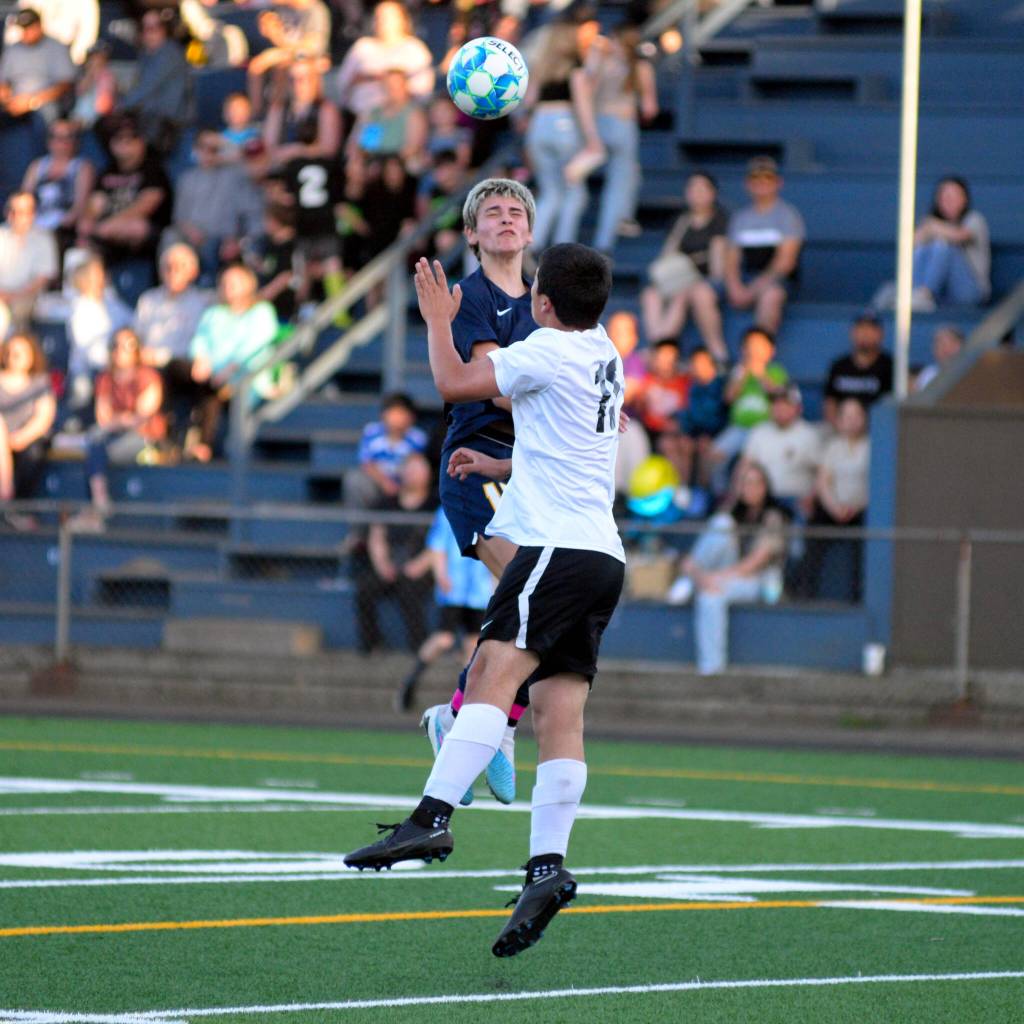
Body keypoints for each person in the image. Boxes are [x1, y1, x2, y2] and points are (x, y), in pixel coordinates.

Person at [346, 244, 625, 964]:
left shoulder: (545, 349)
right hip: (601, 556)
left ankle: (429, 818)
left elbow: (453, 380)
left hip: (555, 551)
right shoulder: (605, 353)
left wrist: (439, 320)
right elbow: (565, 441)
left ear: (540, 305)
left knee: (493, 679)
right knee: (561, 715)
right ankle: (545, 868)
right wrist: (500, 464)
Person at [418, 178, 539, 808]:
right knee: (528, 593)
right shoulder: (468, 296)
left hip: (534, 468)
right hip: (478, 462)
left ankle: (476, 719)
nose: (505, 218)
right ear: (472, 233)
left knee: (540, 607)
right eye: (491, 212)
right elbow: (496, 386)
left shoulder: (548, 298)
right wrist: (571, 401)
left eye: (515, 211)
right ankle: (490, 723)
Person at [672, 462, 789, 673]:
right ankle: (712, 669)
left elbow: (754, 563)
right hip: (725, 576)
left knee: (709, 592)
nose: (751, 488)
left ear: (765, 487)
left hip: (759, 581)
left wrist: (714, 578)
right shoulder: (734, 514)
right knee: (722, 524)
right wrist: (709, 579)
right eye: (746, 483)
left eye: (756, 483)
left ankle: (690, 578)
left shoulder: (773, 516)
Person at [395, 506, 495, 712]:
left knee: (473, 647)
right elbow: (438, 546)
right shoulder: (449, 509)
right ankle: (410, 681)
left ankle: (466, 702)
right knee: (444, 639)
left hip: (479, 592)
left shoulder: (493, 507)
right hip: (454, 587)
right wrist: (441, 574)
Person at [523, 17, 603, 250]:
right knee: (574, 194)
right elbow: (583, 107)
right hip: (565, 126)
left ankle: (528, 246)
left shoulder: (542, 69)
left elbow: (528, 102)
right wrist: (593, 140)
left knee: (550, 193)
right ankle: (562, 251)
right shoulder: (575, 68)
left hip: (538, 127)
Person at [186, 264, 279, 461]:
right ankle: (203, 447)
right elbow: (199, 341)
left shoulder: (262, 311)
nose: (228, 286)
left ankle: (208, 446)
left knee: (214, 391)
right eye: (225, 282)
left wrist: (228, 371)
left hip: (248, 381)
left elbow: (254, 348)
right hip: (215, 380)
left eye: (234, 282)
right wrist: (201, 360)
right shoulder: (213, 314)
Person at [79, 327, 164, 527]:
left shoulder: (148, 376)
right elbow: (103, 418)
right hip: (112, 437)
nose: (121, 350)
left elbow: (141, 417)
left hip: (144, 437)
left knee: (97, 447)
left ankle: (98, 505)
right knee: (94, 442)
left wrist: (119, 420)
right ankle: (100, 503)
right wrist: (122, 419)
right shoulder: (105, 378)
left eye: (128, 345)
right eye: (116, 345)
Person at [585, 20, 657, 255]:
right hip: (624, 126)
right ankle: (605, 241)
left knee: (627, 176)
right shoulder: (642, 68)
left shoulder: (603, 64)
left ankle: (623, 220)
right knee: (618, 184)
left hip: (598, 126)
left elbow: (587, 92)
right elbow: (649, 109)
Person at [640, 171, 729, 361]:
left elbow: (718, 264)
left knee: (687, 294)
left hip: (707, 280)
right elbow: (667, 254)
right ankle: (658, 347)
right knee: (651, 294)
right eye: (692, 188)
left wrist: (709, 281)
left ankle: (716, 352)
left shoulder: (720, 219)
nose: (696, 193)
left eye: (702, 188)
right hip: (681, 278)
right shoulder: (680, 221)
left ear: (713, 193)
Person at [353, 451, 436, 655]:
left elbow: (441, 541)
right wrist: (383, 565)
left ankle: (419, 647)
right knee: (365, 589)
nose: (413, 474)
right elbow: (377, 537)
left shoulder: (436, 504)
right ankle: (371, 646)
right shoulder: (386, 503)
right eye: (409, 469)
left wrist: (419, 565)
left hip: (424, 567)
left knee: (409, 589)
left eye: (419, 469)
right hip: (391, 564)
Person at [167, 130, 263, 284]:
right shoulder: (186, 179)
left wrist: (236, 239)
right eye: (202, 147)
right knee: (170, 238)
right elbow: (178, 217)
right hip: (192, 240)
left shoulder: (235, 175)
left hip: (223, 241)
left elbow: (251, 214)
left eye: (213, 149)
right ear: (195, 149)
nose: (207, 153)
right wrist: (189, 230)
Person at [77, 116, 173, 271]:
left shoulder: (153, 170)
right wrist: (89, 220)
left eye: (131, 139)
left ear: (142, 142)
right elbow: (96, 203)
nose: (124, 144)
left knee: (136, 227)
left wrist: (107, 226)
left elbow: (144, 207)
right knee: (83, 229)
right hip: (106, 230)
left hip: (142, 231)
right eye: (119, 139)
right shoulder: (109, 171)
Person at [724, 156, 805, 335]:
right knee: (702, 293)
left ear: (778, 183)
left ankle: (759, 351)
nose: (762, 184)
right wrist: (734, 287)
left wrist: (750, 292)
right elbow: (731, 260)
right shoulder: (740, 218)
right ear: (748, 184)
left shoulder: (788, 216)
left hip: (778, 282)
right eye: (756, 179)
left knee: (771, 296)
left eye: (767, 179)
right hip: (746, 278)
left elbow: (785, 263)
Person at [707, 326, 788, 495]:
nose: (754, 351)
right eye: (750, 346)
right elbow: (728, 397)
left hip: (767, 429)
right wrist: (744, 375)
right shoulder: (739, 372)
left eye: (760, 346)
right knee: (714, 454)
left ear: (770, 351)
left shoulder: (775, 372)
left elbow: (780, 396)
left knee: (747, 463)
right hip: (739, 428)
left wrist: (760, 375)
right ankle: (719, 494)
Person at [804, 397, 869, 601]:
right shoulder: (833, 447)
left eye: (856, 415)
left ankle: (860, 596)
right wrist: (834, 508)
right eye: (847, 416)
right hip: (834, 509)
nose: (852, 421)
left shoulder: (873, 446)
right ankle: (805, 593)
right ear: (839, 420)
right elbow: (823, 482)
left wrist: (856, 507)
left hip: (861, 511)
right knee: (814, 529)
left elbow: (876, 485)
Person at [334, 1, 434, 122]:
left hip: (401, 119)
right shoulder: (362, 47)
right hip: (361, 118)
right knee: (364, 139)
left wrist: (392, 82)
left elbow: (423, 91)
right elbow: (342, 84)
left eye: (389, 17)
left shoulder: (415, 49)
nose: (383, 21)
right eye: (379, 17)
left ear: (403, 20)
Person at [737, 383, 820, 518]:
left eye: (785, 404)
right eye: (775, 403)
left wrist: (812, 497)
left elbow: (821, 473)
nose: (780, 408)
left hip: (795, 501)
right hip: (763, 502)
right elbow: (744, 467)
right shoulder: (759, 432)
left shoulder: (809, 434)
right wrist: (737, 496)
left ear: (797, 408)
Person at [67, 252, 133, 413]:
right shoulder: (79, 309)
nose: (105, 275)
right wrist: (112, 362)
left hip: (119, 362)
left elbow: (131, 321)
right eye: (99, 273)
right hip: (91, 370)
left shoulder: (111, 301)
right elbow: (87, 350)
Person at [911, 177, 990, 310]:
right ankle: (916, 294)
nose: (948, 201)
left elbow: (960, 236)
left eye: (953, 196)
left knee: (942, 246)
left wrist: (931, 226)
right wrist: (928, 228)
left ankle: (924, 295)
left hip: (971, 293)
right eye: (944, 196)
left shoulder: (974, 219)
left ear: (964, 199)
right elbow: (911, 244)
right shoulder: (932, 224)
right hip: (942, 295)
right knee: (922, 248)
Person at [21, 119, 95, 256]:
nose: (61, 142)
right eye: (56, 137)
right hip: (33, 224)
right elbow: (24, 199)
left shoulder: (82, 167)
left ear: (75, 141)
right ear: (48, 140)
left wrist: (59, 225)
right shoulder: (37, 166)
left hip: (63, 228)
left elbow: (80, 205)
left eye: (67, 137)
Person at [122, 8, 190, 151]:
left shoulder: (170, 53)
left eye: (155, 27)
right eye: (146, 28)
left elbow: (145, 88)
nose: (150, 32)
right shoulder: (146, 54)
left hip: (168, 122)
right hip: (148, 117)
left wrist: (120, 107)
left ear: (165, 29)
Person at [0, 331, 56, 506]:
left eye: (20, 352)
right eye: (11, 352)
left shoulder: (39, 383)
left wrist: (21, 438)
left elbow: (44, 417)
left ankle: (17, 506)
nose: (14, 357)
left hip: (26, 440)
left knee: (33, 453)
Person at [347, 391, 428, 507]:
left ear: (411, 417)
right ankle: (363, 522)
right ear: (384, 414)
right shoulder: (371, 432)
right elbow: (366, 463)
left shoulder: (418, 438)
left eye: (402, 413)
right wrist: (385, 483)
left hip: (403, 487)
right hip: (376, 484)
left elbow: (417, 469)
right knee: (354, 480)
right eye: (394, 413)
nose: (398, 418)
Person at [262, 55, 342, 168]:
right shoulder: (278, 109)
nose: (297, 84)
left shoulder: (326, 110)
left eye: (303, 79)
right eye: (292, 79)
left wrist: (297, 151)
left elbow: (328, 149)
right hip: (281, 172)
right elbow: (268, 148)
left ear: (315, 80)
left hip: (315, 173)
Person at [0, 8, 75, 121]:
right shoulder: (13, 49)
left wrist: (31, 102)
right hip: (16, 101)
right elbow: (3, 81)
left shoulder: (57, 47)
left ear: (39, 26)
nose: (25, 32)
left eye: (28, 28)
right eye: (22, 28)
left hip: (44, 103)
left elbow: (65, 85)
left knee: (46, 114)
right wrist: (5, 95)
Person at [347, 68, 428, 171]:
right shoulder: (375, 114)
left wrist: (386, 162)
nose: (392, 90)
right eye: (388, 86)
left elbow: (412, 148)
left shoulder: (414, 114)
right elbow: (368, 145)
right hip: (375, 164)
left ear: (405, 86)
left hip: (399, 165)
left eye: (396, 86)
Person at [823, 311, 893, 430]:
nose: (865, 334)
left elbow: (892, 405)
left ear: (880, 334)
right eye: (861, 329)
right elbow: (830, 403)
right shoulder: (840, 365)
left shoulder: (889, 366)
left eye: (870, 329)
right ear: (853, 333)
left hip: (876, 431)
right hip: (840, 429)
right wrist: (838, 425)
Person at [0, 191, 57, 327]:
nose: (13, 216)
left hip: (29, 297)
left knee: (18, 311)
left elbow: (42, 278)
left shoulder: (44, 239)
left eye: (21, 212)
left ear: (32, 214)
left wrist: (14, 296)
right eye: (11, 211)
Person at [675, 346, 727, 489]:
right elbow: (689, 414)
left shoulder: (721, 385)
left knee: (705, 446)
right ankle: (683, 489)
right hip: (696, 431)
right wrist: (688, 433)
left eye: (702, 363)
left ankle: (704, 491)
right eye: (695, 363)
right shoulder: (693, 387)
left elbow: (720, 416)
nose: (698, 367)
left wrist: (707, 435)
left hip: (716, 432)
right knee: (685, 444)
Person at [10, 0, 99, 67]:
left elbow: (88, 32)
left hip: (67, 54)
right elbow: (16, 28)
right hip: (33, 53)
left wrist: (75, 58)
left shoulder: (86, 2)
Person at [914, 324, 964, 392]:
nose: (946, 350)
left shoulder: (971, 373)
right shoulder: (928, 375)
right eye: (939, 345)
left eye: (951, 344)